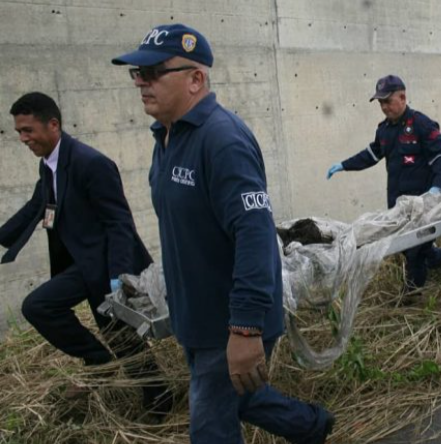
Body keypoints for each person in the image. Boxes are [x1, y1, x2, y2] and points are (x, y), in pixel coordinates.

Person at [112, 24, 334, 443]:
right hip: (196, 318)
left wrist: (246, 329)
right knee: (245, 397)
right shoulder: (167, 137)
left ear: (196, 78)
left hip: (228, 323)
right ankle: (312, 427)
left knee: (211, 428)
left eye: (154, 72)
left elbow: (254, 236)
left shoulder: (222, 140)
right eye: (136, 73)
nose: (141, 82)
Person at [0, 92, 170, 416]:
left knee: (121, 337)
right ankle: (97, 359)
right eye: (19, 131)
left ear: (53, 125)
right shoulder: (48, 165)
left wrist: (118, 280)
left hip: (107, 266)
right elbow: (37, 207)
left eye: (27, 130)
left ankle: (158, 400)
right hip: (82, 264)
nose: (22, 138)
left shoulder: (91, 163)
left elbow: (119, 223)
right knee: (42, 307)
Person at [326, 74, 441, 292]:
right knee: (409, 247)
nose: (384, 107)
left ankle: (412, 295)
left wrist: (437, 188)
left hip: (421, 203)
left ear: (403, 97)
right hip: (398, 204)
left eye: (387, 101)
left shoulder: (421, 124)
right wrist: (343, 164)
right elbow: (372, 154)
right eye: (380, 103)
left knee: (414, 248)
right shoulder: (384, 130)